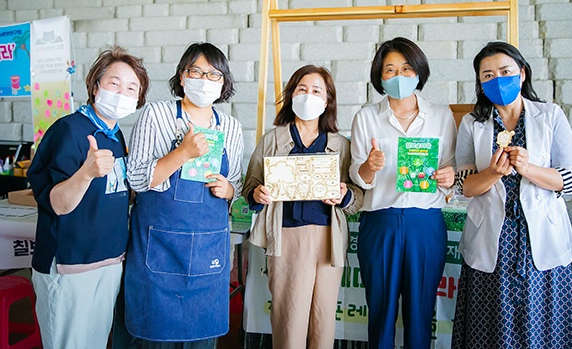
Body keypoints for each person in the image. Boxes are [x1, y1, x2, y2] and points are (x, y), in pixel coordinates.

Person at [451, 41, 572, 348]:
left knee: (541, 326)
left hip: (539, 242)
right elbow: (463, 186)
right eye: (488, 75)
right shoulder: (473, 123)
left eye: (505, 71)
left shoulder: (550, 116)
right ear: (480, 83)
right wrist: (493, 173)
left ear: (522, 74)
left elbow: (568, 181)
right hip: (493, 240)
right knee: (492, 328)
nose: (498, 80)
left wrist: (528, 168)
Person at [27, 46, 149, 349]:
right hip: (70, 264)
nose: (123, 92)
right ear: (96, 86)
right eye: (114, 83)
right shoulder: (69, 130)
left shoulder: (115, 134)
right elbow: (57, 203)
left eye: (132, 87)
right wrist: (85, 173)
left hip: (107, 261)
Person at [124, 42, 243, 348]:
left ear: (223, 82)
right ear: (181, 77)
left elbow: (237, 184)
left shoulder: (229, 126)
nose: (204, 80)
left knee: (201, 338)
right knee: (155, 336)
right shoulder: (157, 114)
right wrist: (183, 153)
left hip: (208, 250)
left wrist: (228, 189)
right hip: (159, 248)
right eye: (196, 71)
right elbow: (137, 179)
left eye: (213, 74)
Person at [243, 65, 363, 349]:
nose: (308, 96)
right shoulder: (273, 139)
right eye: (302, 89)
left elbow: (357, 198)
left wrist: (344, 196)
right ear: (291, 95)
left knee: (323, 320)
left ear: (328, 100)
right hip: (286, 237)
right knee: (290, 319)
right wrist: (257, 194)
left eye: (316, 91)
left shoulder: (340, 145)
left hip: (327, 240)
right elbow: (250, 184)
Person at [348, 37, 456, 349]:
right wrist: (370, 165)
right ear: (379, 77)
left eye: (407, 69)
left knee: (421, 311)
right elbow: (359, 175)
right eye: (390, 70)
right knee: (380, 310)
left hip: (426, 223)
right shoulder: (366, 117)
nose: (399, 77)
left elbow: (450, 170)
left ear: (419, 72)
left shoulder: (441, 116)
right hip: (380, 223)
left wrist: (448, 176)